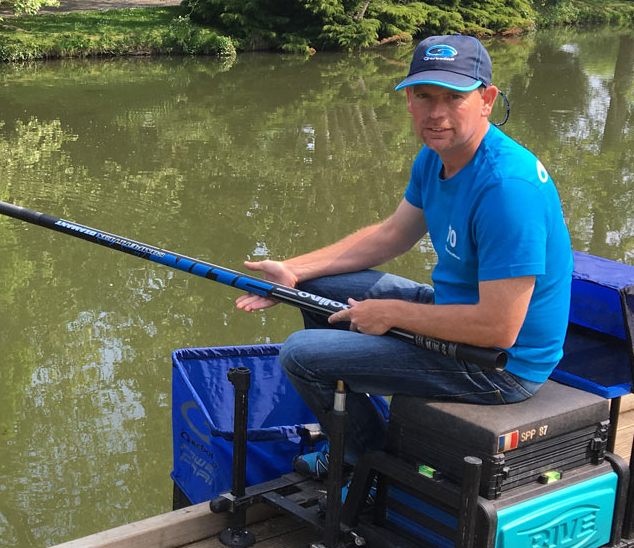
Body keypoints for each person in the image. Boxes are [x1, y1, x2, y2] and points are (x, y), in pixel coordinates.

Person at [235, 34, 573, 474]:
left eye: (454, 98)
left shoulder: (507, 189)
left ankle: (367, 466)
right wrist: (294, 272)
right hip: (459, 317)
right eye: (423, 95)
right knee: (313, 289)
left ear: (487, 100)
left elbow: (499, 328)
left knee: (300, 354)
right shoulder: (437, 156)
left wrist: (392, 313)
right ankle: (359, 432)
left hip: (502, 366)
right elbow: (393, 235)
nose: (436, 113)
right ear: (408, 99)